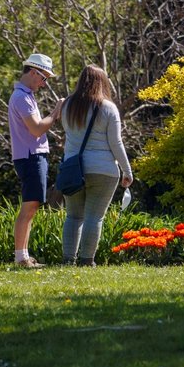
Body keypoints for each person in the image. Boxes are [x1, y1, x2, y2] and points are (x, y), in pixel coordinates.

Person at [60, 65, 133, 266]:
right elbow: (115, 142)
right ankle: (86, 260)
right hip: (103, 170)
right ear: (103, 82)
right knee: (94, 217)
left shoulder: (67, 105)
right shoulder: (108, 108)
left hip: (72, 169)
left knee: (73, 216)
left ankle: (68, 260)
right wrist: (127, 170)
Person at [8, 53, 65, 268]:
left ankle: (23, 256)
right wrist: (56, 111)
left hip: (32, 156)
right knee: (29, 206)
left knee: (32, 206)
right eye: (44, 78)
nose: (44, 83)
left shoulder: (25, 95)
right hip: (30, 156)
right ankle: (21, 258)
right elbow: (37, 128)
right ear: (33, 72)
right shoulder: (21, 97)